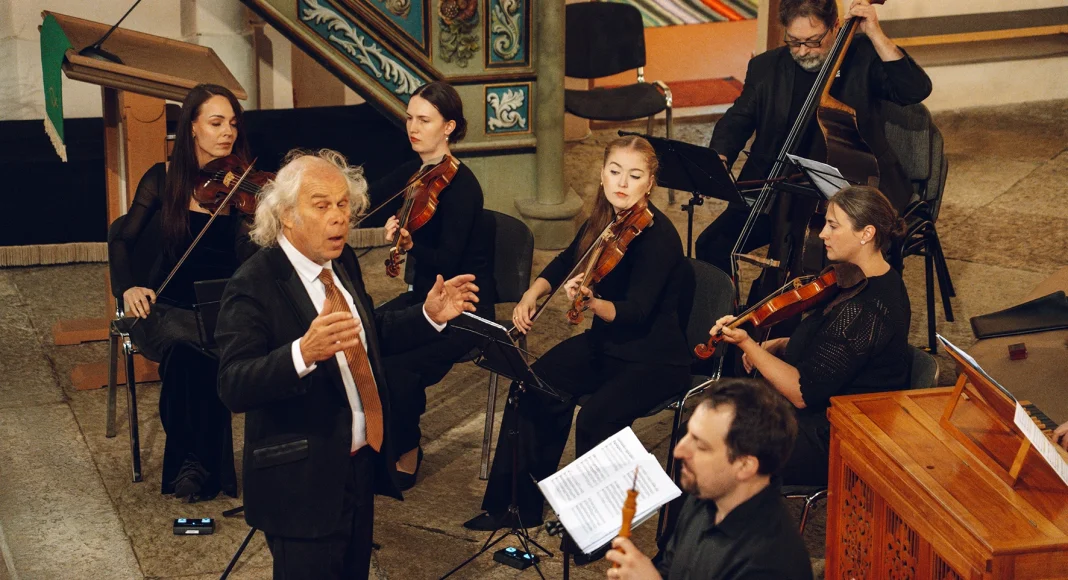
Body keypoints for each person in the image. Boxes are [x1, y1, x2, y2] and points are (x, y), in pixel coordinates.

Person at [214, 149, 479, 580]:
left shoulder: (342, 261)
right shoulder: (254, 284)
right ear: (286, 215)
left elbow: (368, 333)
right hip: (300, 483)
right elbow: (233, 385)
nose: (339, 217)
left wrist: (427, 315)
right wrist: (302, 352)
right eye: (322, 206)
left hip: (357, 467)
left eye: (343, 204)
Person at [464, 136, 692, 533]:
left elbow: (636, 311)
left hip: (654, 359)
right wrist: (532, 294)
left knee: (595, 420)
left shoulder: (659, 238)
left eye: (634, 175)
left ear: (650, 183)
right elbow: (567, 261)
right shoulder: (604, 222)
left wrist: (592, 304)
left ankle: (599, 529)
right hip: (607, 345)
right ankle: (514, 508)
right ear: (602, 174)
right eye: (615, 171)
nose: (622, 182)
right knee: (532, 385)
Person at [694, 0, 932, 275]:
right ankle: (732, 304)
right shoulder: (766, 67)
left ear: (835, 27)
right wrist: (720, 155)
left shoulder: (863, 57)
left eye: (813, 41)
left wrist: (875, 34)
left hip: (850, 188)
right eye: (794, 42)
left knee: (820, 257)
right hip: (776, 186)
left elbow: (914, 90)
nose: (803, 51)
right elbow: (737, 119)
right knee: (711, 245)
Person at [108, 83, 256, 501]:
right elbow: (121, 239)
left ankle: (191, 464)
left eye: (232, 123)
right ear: (192, 125)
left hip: (221, 309)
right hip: (166, 308)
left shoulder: (243, 189)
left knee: (202, 353)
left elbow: (248, 259)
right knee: (187, 350)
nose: (227, 132)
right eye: (216, 122)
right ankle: (201, 466)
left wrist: (264, 219)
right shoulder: (162, 180)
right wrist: (128, 287)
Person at [709, 185, 910, 486]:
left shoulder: (867, 308)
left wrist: (748, 344)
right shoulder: (861, 277)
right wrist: (780, 344)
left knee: (712, 448)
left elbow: (802, 392)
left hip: (837, 433)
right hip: (822, 411)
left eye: (833, 225)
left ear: (866, 233)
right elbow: (836, 351)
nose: (822, 234)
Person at [375, 81, 496, 489]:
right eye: (410, 118)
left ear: (449, 127)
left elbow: (449, 261)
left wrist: (411, 245)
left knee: (398, 368)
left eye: (424, 120)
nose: (413, 127)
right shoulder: (419, 174)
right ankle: (374, 441)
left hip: (464, 308)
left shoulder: (463, 188)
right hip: (424, 299)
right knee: (365, 333)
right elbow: (372, 196)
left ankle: (407, 451)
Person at [605, 379, 812, 580]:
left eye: (701, 445)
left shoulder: (770, 563)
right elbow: (671, 568)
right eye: (689, 435)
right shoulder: (705, 494)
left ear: (744, 465)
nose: (679, 451)